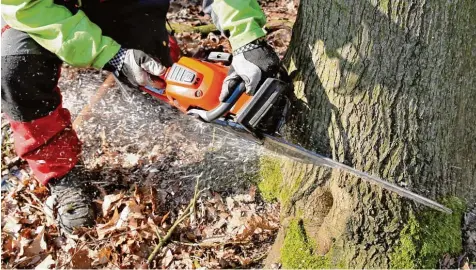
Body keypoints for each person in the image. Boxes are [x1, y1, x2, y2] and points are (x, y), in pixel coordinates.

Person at [1, 0, 280, 234]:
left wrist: (247, 39)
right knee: (14, 67)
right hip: (45, 13)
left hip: (127, 4)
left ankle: (160, 59)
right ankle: (60, 174)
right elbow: (28, 6)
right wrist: (111, 55)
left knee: (155, 75)